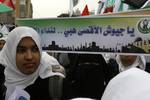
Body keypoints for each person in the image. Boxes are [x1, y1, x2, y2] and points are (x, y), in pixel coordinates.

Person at [0, 26, 65, 100]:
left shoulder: (54, 83)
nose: (29, 57)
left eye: (35, 49)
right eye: (21, 50)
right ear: (10, 53)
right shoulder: (3, 78)